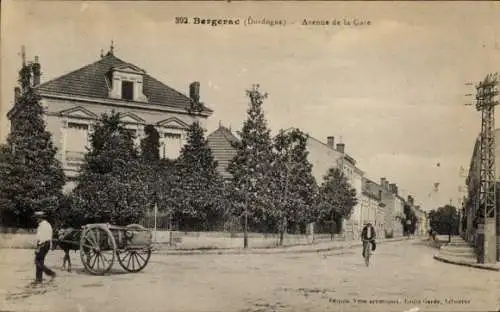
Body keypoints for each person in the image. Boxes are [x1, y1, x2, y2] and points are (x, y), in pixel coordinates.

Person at [34, 211, 56, 284]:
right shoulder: (47, 224)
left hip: (42, 244)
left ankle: (50, 273)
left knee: (37, 261)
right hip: (47, 244)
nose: (36, 220)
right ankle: (38, 279)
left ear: (40, 218)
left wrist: (38, 246)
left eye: (37, 218)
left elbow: (41, 238)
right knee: (40, 261)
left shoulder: (42, 226)